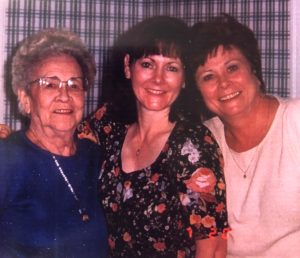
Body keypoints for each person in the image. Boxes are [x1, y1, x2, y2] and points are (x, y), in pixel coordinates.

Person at [78, 16, 228, 258]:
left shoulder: (192, 144)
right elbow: (61, 143)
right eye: (147, 64)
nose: (158, 79)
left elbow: (213, 248)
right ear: (128, 66)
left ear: (184, 79)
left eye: (171, 68)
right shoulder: (109, 124)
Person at [188, 14, 300, 258]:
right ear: (199, 91)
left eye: (232, 68)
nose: (224, 83)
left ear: (254, 69)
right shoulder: (201, 142)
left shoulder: (295, 121)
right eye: (208, 76)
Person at [0, 28, 108, 257]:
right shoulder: (6, 159)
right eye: (50, 84)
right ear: (25, 98)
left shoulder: (95, 157)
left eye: (74, 85)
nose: (64, 95)